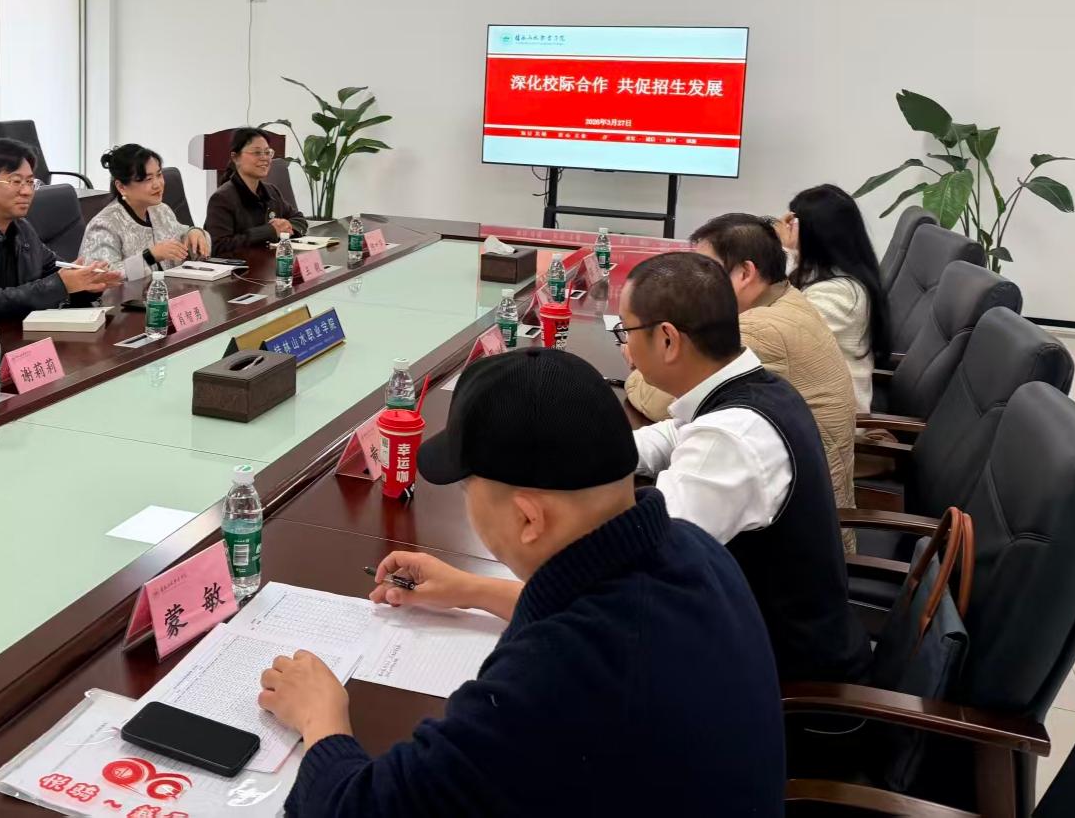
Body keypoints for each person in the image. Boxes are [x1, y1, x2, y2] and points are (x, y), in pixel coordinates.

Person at [256, 349, 786, 817]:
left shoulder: (554, 680)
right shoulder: (691, 548)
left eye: (467, 489)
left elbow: (358, 808)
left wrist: (320, 716)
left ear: (529, 519)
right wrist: (471, 589)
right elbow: (593, 606)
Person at [620, 251, 870, 683]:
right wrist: (584, 450)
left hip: (783, 682)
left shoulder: (731, 439)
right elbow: (674, 434)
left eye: (626, 332)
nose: (624, 347)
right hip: (766, 635)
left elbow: (640, 566)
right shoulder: (756, 387)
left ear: (667, 340)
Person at [625, 213, 858, 524]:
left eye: (706, 271)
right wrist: (603, 450)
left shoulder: (761, 330)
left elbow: (653, 536)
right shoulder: (782, 308)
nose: (694, 283)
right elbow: (681, 425)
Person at [0, 138, 121, 334]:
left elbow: (53, 273)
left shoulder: (21, 228)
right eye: (16, 181)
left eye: (30, 182)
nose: (27, 191)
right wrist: (61, 284)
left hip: (14, 335)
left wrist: (86, 284)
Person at [773, 184, 891, 411]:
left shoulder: (840, 294)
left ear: (812, 236)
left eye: (794, 226)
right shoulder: (825, 274)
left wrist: (784, 253)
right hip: (808, 397)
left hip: (831, 417)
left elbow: (781, 338)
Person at [79, 143, 211, 281]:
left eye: (159, 175)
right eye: (148, 179)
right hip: (130, 295)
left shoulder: (161, 210)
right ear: (121, 187)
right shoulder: (104, 225)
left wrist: (194, 233)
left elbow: (183, 239)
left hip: (167, 290)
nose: (157, 184)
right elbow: (100, 276)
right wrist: (150, 256)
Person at [203, 127, 307, 254]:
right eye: (257, 153)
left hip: (270, 263)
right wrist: (269, 231)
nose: (265, 158)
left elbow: (299, 219)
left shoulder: (271, 191)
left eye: (267, 152)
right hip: (243, 266)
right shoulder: (222, 198)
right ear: (235, 157)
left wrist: (286, 227)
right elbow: (218, 246)